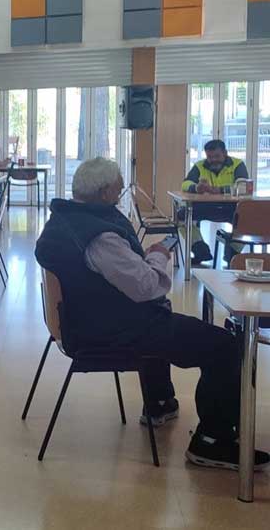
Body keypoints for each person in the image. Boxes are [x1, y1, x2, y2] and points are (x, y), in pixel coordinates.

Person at [35, 157, 268, 471]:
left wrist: (139, 261)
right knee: (223, 345)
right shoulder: (100, 237)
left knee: (164, 315)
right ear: (104, 193)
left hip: (84, 320)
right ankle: (213, 441)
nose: (120, 197)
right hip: (111, 329)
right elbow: (148, 288)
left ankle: (159, 403)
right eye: (118, 191)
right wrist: (158, 256)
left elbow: (118, 276)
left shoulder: (65, 220)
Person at [180, 139, 250, 265]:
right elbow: (185, 183)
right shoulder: (199, 166)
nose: (213, 160)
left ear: (225, 153)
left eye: (217, 156)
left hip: (232, 208)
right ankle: (200, 250)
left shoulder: (237, 164)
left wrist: (219, 190)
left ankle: (232, 254)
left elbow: (243, 186)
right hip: (205, 206)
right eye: (209, 157)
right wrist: (196, 188)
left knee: (247, 219)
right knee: (181, 216)